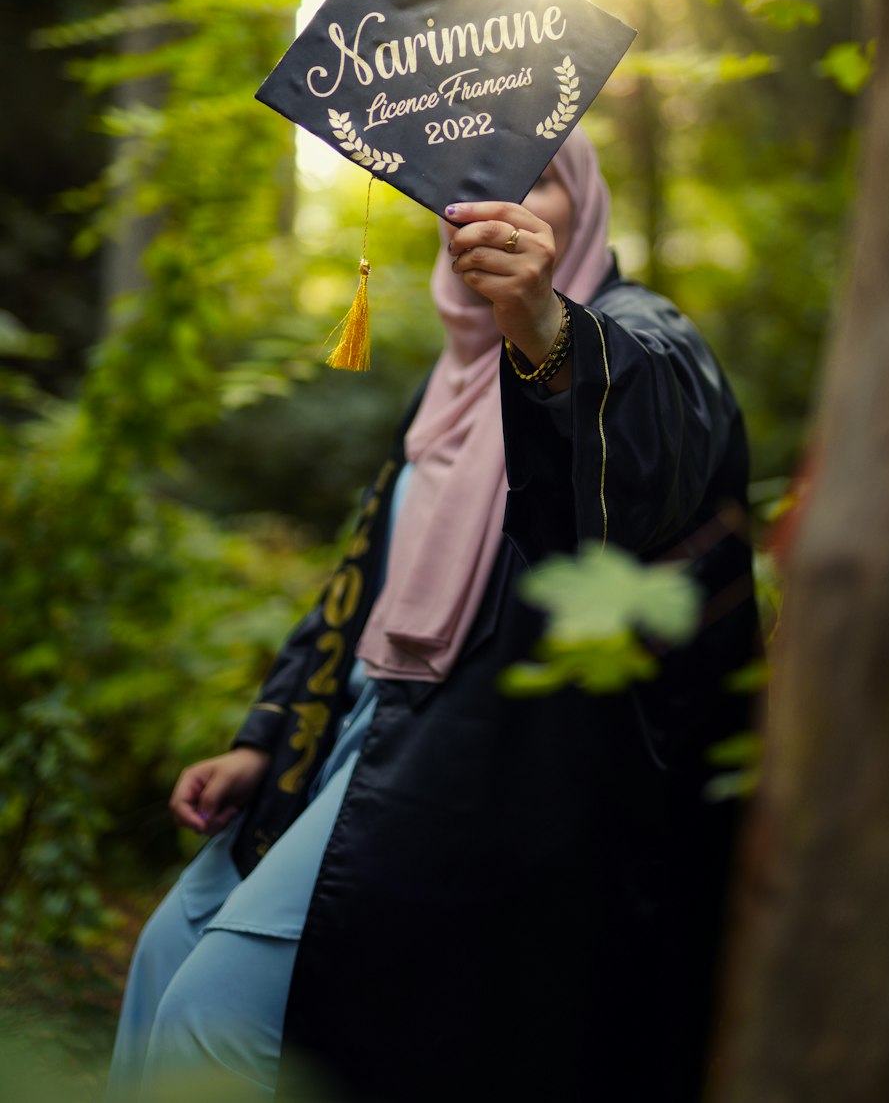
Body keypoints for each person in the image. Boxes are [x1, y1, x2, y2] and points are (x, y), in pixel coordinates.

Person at [107, 128, 760, 1103]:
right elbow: (364, 580)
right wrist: (270, 731)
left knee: (219, 1016)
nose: (509, 204)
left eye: (540, 180)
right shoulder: (450, 378)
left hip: (480, 765)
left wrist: (545, 328)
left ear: (586, 201)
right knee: (165, 955)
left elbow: (642, 484)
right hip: (358, 736)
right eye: (481, 182)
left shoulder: (645, 334)